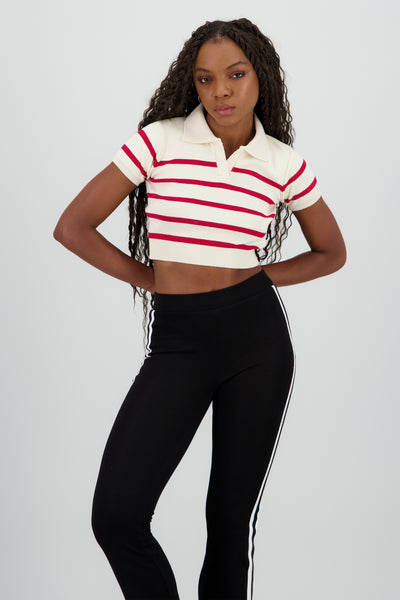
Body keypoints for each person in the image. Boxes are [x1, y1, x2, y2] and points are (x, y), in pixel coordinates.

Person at [53, 17, 346, 600]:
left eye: (235, 75)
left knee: (229, 523)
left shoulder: (282, 162)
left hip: (256, 341)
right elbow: (73, 227)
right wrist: (148, 279)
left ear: (260, 78)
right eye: (206, 79)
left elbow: (331, 252)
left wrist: (256, 276)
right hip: (179, 341)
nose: (221, 91)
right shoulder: (159, 140)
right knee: (117, 516)